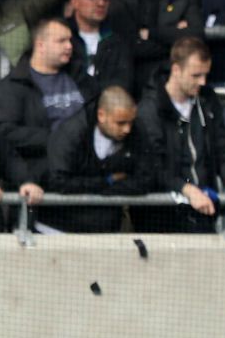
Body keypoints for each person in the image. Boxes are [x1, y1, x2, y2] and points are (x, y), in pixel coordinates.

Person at [136, 38, 225, 233]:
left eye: (205, 75)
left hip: (202, 210)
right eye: (196, 75)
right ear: (176, 70)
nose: (202, 82)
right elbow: (152, 167)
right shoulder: (150, 110)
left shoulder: (207, 101)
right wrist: (187, 189)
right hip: (161, 217)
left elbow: (222, 146)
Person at [44, 85, 155, 232]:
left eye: (130, 122)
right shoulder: (71, 133)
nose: (127, 129)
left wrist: (99, 187)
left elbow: (145, 180)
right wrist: (108, 181)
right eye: (120, 123)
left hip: (105, 228)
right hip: (60, 228)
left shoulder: (137, 131)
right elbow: (59, 181)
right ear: (101, 115)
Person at [0, 19, 83, 185]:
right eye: (61, 41)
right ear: (40, 45)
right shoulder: (14, 85)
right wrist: (57, 139)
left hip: (83, 175)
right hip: (41, 180)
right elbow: (4, 132)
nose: (69, 46)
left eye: (70, 40)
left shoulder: (80, 77)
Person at [64, 0, 132, 100]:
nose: (101, 3)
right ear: (74, 1)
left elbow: (122, 84)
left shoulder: (117, 41)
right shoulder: (62, 38)